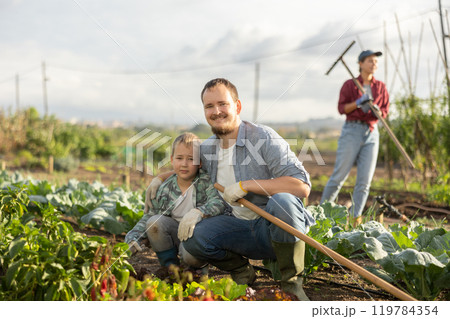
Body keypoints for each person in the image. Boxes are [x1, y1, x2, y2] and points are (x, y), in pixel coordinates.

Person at [145, 78, 315, 300]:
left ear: (237, 106)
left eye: (222, 104)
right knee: (194, 237)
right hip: (236, 230)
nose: (216, 111)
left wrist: (247, 185)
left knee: (283, 201)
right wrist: (159, 178)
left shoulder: (263, 137)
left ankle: (292, 284)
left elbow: (301, 187)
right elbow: (186, 167)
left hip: (272, 229)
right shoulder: (207, 149)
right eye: (209, 106)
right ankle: (242, 271)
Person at [125, 132, 231, 274]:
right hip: (175, 234)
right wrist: (133, 238)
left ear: (200, 163)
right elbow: (149, 216)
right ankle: (170, 268)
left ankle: (197, 271)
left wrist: (200, 212)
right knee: (154, 222)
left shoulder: (206, 182)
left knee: (190, 256)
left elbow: (218, 202)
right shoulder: (165, 188)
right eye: (179, 158)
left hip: (197, 237)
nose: (184, 164)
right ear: (172, 160)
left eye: (191, 159)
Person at [320, 50, 390, 226]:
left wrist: (378, 111)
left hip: (372, 132)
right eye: (369, 61)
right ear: (360, 63)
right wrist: (358, 102)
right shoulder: (350, 85)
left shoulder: (380, 86)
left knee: (364, 182)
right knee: (339, 177)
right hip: (352, 130)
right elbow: (342, 108)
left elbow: (385, 110)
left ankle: (355, 220)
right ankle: (320, 214)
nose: (374, 63)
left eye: (375, 61)